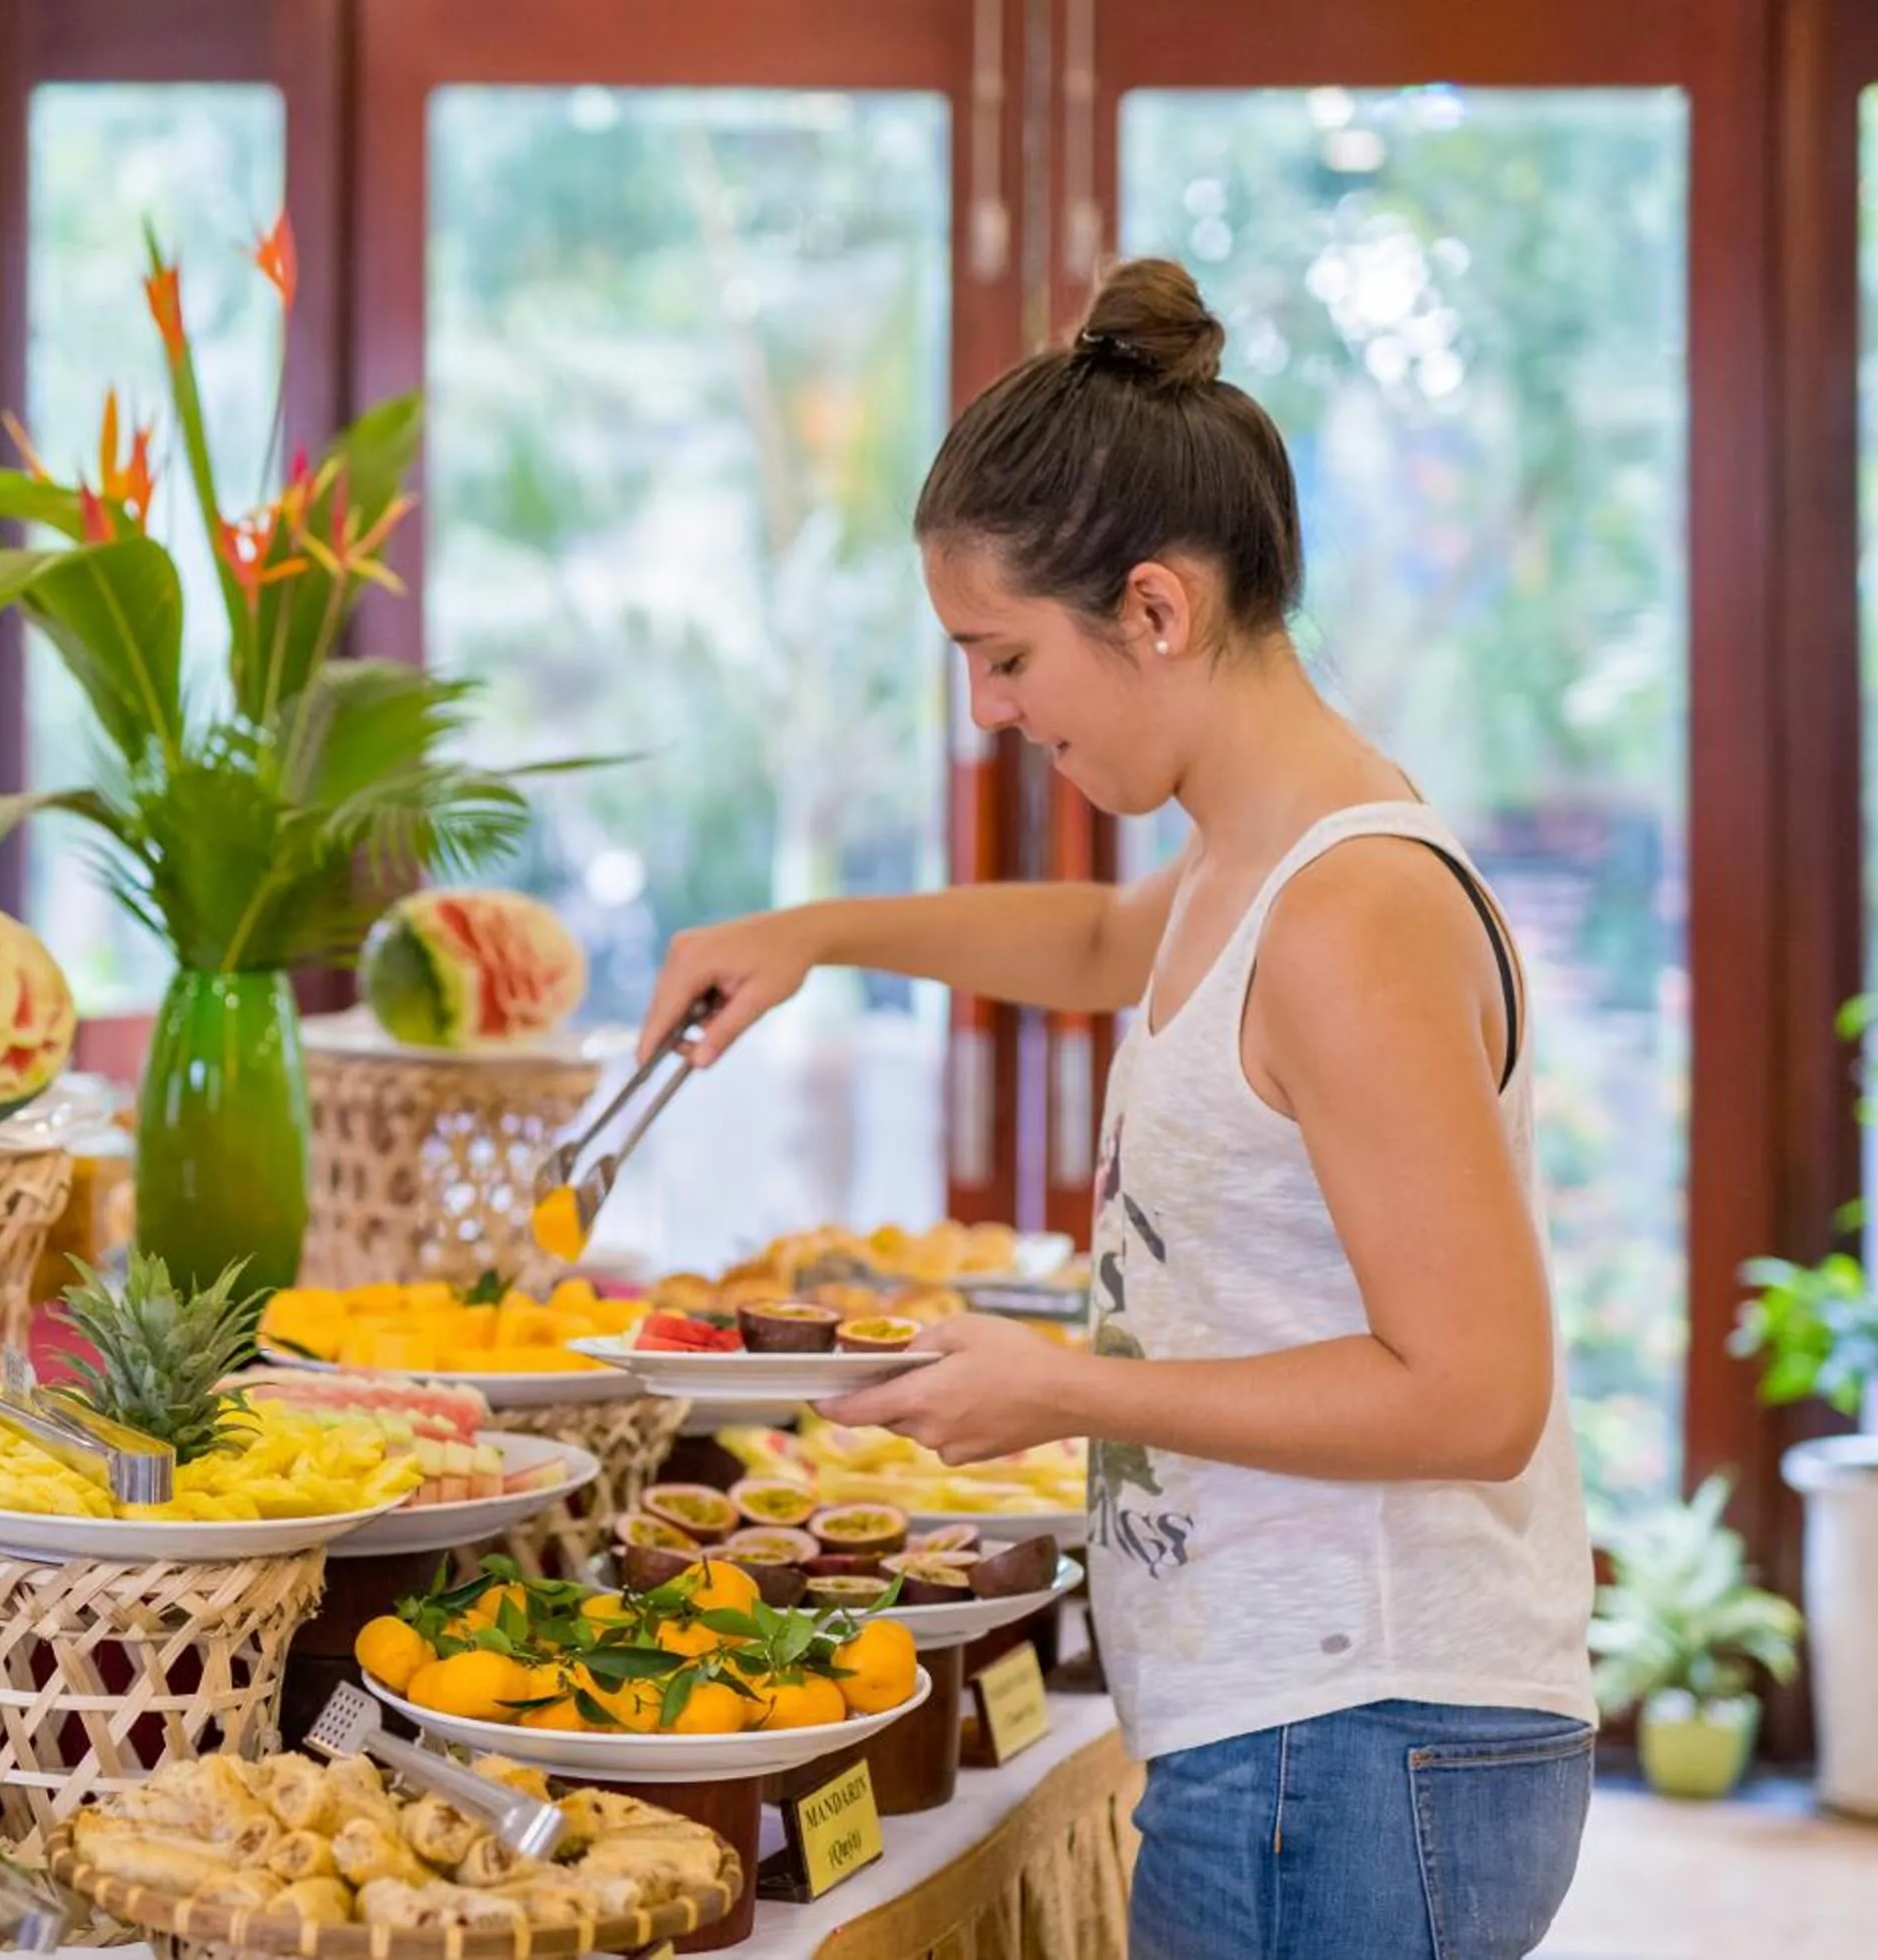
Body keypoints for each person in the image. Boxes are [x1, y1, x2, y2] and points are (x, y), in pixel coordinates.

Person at [639, 261, 1595, 1959]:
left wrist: (1057, 1387)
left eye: (1003, 656)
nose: (991, 711)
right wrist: (812, 934)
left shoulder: (1347, 913)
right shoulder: (1260, 858)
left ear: (1153, 610)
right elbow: (1087, 940)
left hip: (1354, 1737)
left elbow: (1476, 1392)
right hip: (1309, 1728)